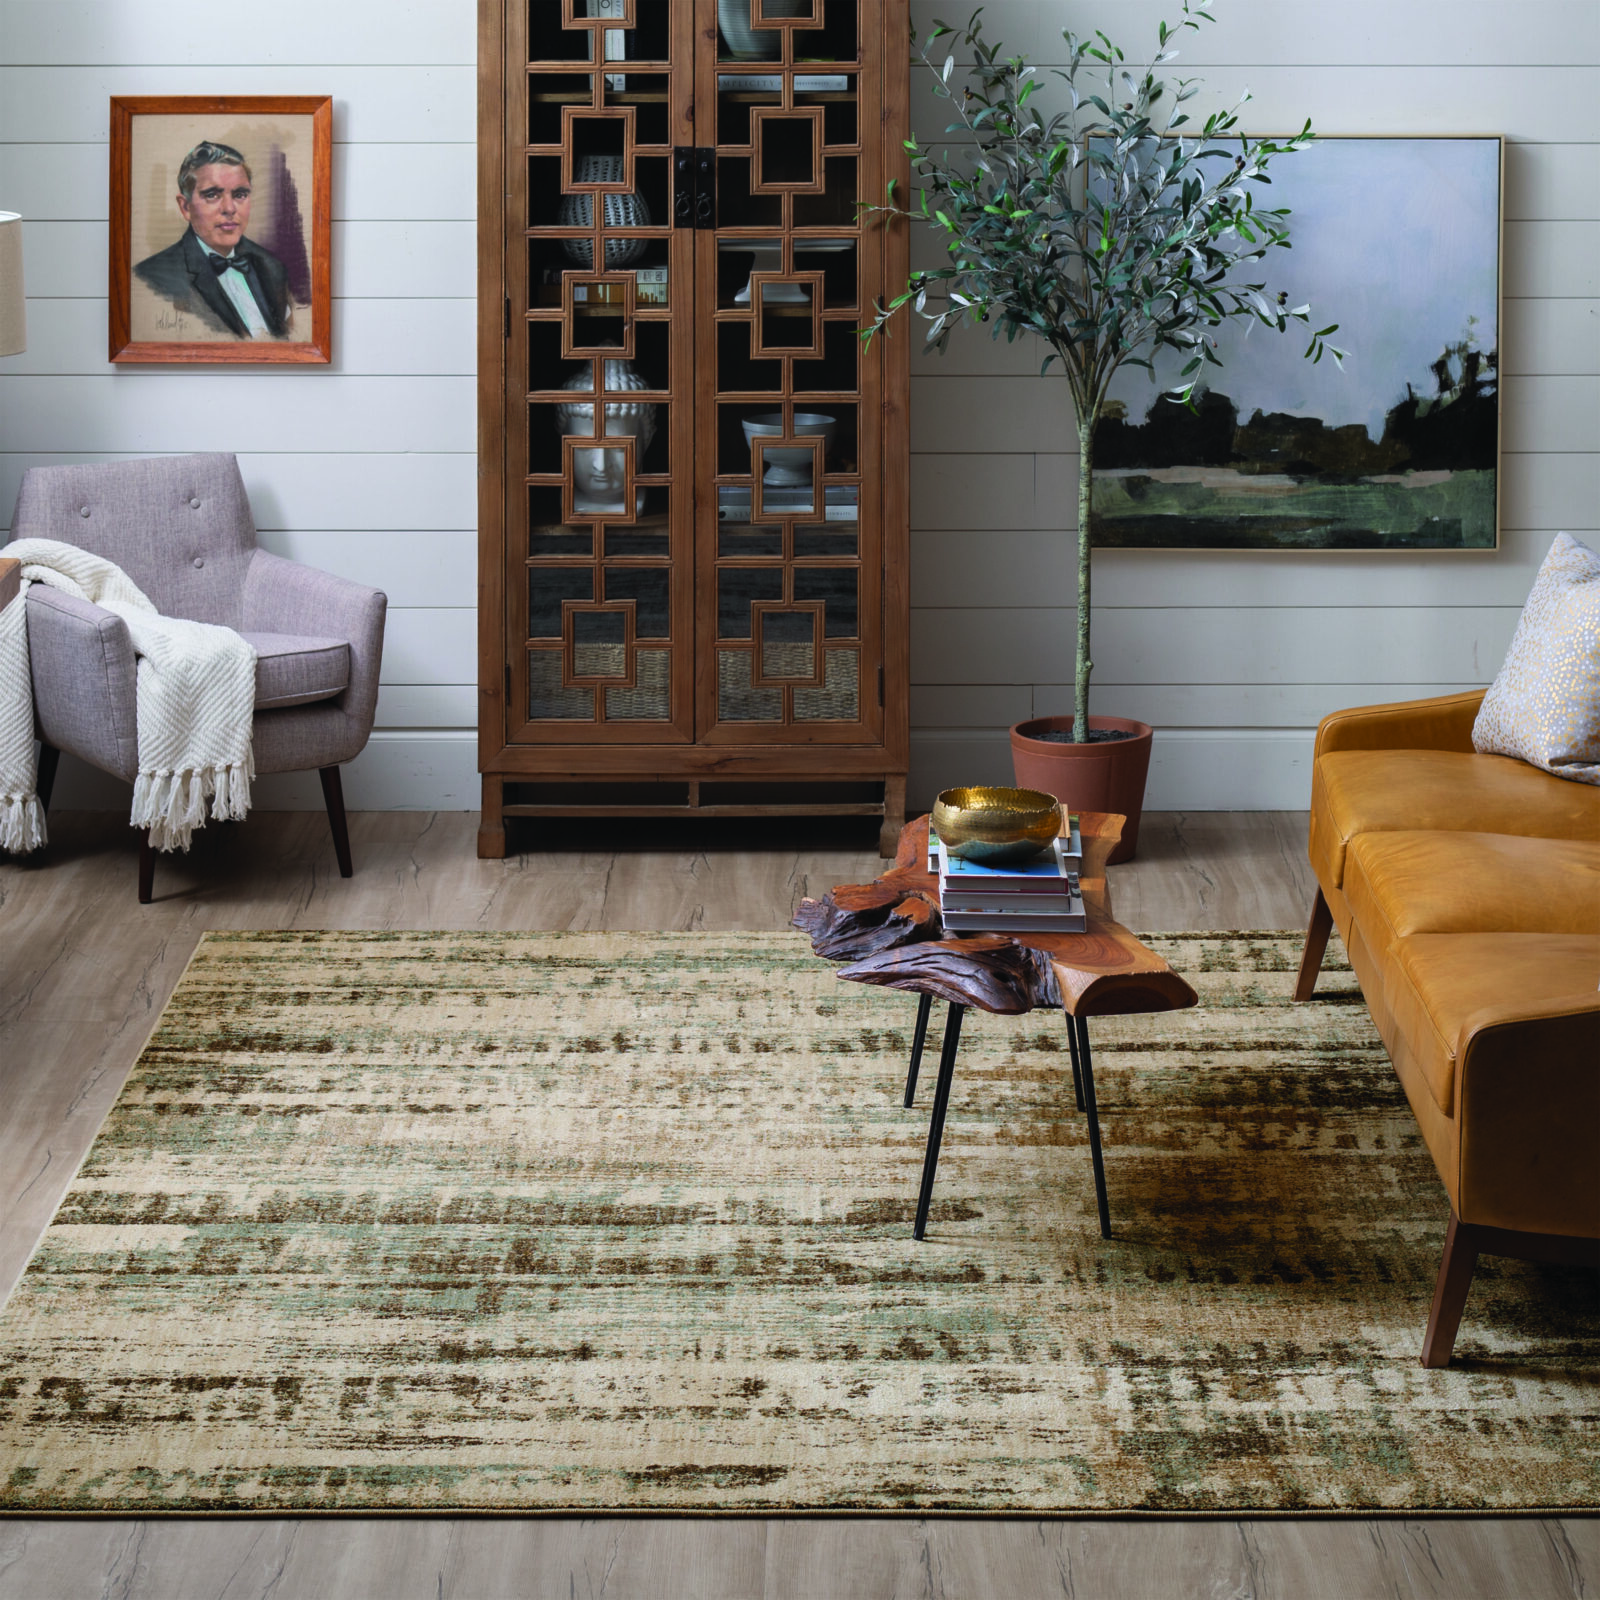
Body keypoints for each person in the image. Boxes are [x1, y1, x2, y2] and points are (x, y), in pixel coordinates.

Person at [134, 140, 293, 339]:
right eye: (212, 195)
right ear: (185, 207)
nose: (229, 208)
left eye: (240, 194)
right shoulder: (152, 279)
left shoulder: (272, 267)